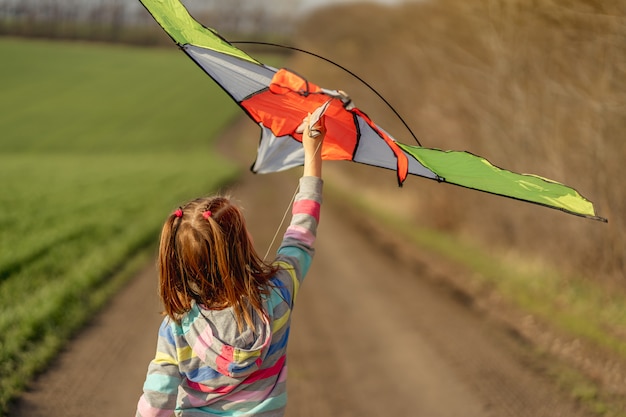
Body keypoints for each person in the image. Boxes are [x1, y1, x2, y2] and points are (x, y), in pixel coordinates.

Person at [136, 114, 325, 417]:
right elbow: (302, 235)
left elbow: (156, 403)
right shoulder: (277, 293)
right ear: (239, 247)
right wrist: (312, 153)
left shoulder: (178, 327)